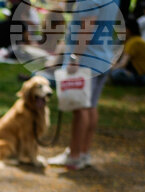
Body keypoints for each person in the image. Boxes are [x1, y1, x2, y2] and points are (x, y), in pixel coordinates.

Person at [47, 0, 121, 170]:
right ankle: (82, 152)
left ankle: (74, 156)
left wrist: (75, 57)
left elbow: (87, 26)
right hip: (103, 57)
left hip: (87, 60)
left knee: (80, 109)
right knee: (91, 106)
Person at [110, 16, 145, 85]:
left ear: (128, 30)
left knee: (116, 73)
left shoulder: (133, 42)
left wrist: (110, 70)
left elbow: (123, 64)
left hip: (142, 77)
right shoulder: (135, 40)